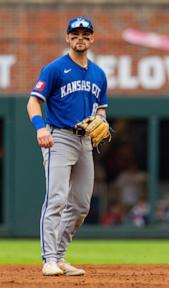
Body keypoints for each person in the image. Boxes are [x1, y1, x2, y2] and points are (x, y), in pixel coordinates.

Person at [27, 16, 109, 276]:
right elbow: (33, 102)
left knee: (81, 204)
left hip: (84, 140)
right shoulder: (54, 69)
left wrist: (101, 121)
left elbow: (102, 111)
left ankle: (60, 256)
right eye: (75, 34)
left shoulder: (98, 74)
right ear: (67, 38)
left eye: (85, 34)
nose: (80, 38)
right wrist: (40, 128)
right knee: (56, 199)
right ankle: (48, 258)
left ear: (92, 39)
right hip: (58, 137)